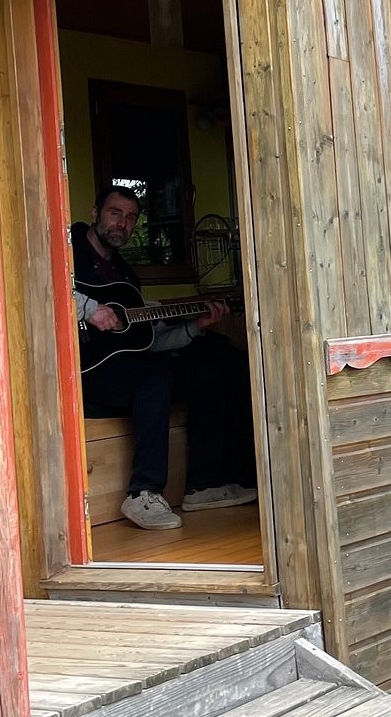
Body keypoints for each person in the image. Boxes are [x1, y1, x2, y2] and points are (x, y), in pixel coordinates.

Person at [73, 185, 258, 530]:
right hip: (79, 371)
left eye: (131, 218)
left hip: (121, 367)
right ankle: (142, 492)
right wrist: (89, 308)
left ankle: (204, 484)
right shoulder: (67, 249)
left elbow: (145, 341)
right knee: (154, 376)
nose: (122, 224)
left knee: (204, 374)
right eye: (115, 213)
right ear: (95, 212)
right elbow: (43, 287)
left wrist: (194, 328)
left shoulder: (126, 276)